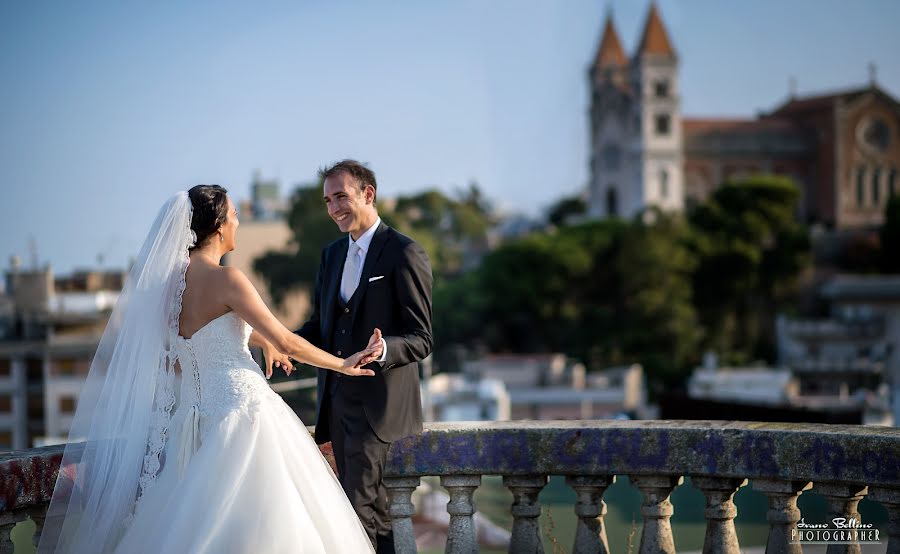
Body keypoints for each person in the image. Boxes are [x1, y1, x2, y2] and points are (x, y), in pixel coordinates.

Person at [39, 185, 378, 553]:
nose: (238, 222)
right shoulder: (228, 280)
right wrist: (342, 364)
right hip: (244, 414)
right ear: (217, 227)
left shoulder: (167, 289)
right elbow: (288, 342)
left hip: (192, 423)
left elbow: (188, 351)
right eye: (233, 215)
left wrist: (255, 339)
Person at [295, 160, 433, 553]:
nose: (333, 207)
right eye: (327, 200)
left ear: (367, 194)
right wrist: (283, 343)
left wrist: (385, 348)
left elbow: (422, 338)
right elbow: (321, 327)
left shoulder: (405, 252)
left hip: (378, 410)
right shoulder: (331, 255)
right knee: (370, 519)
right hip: (336, 406)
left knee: (359, 517)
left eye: (341, 196)